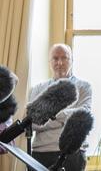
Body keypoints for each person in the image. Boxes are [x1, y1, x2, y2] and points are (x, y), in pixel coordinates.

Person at [29, 43, 92, 171]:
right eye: (55, 58)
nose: (60, 62)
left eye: (64, 58)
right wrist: (65, 118)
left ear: (72, 60)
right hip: (41, 152)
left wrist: (51, 115)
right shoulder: (38, 89)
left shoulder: (84, 86)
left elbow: (82, 115)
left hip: (73, 152)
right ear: (49, 62)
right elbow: (32, 122)